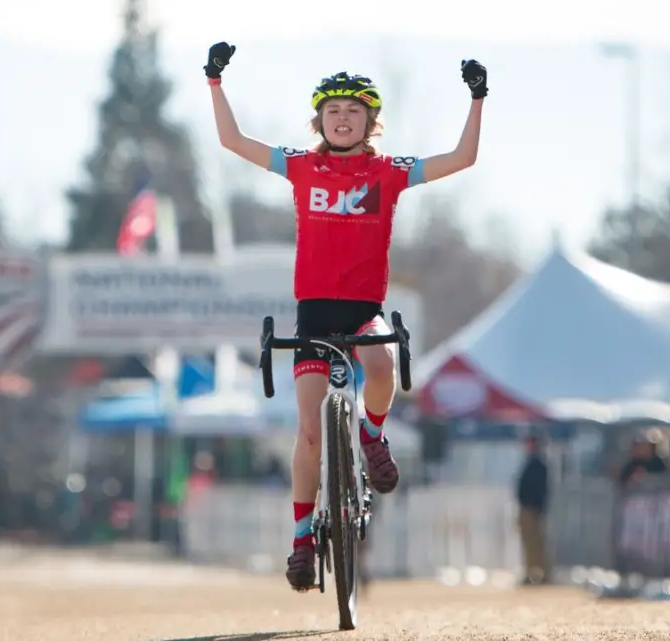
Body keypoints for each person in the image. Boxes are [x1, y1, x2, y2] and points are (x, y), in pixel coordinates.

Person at [204, 41, 488, 592]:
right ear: (319, 120)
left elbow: (462, 159)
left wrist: (478, 99)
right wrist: (215, 82)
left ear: (370, 121)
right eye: (332, 111)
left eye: (353, 111)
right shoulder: (301, 167)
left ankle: (372, 435)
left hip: (363, 310)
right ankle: (303, 541)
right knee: (308, 433)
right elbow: (231, 141)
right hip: (312, 315)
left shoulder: (388, 172)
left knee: (381, 363)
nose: (341, 118)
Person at [515, 434, 550, 586]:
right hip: (528, 508)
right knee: (530, 543)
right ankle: (533, 572)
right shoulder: (532, 463)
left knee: (535, 543)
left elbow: (539, 489)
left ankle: (540, 573)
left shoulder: (538, 465)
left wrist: (537, 507)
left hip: (533, 509)